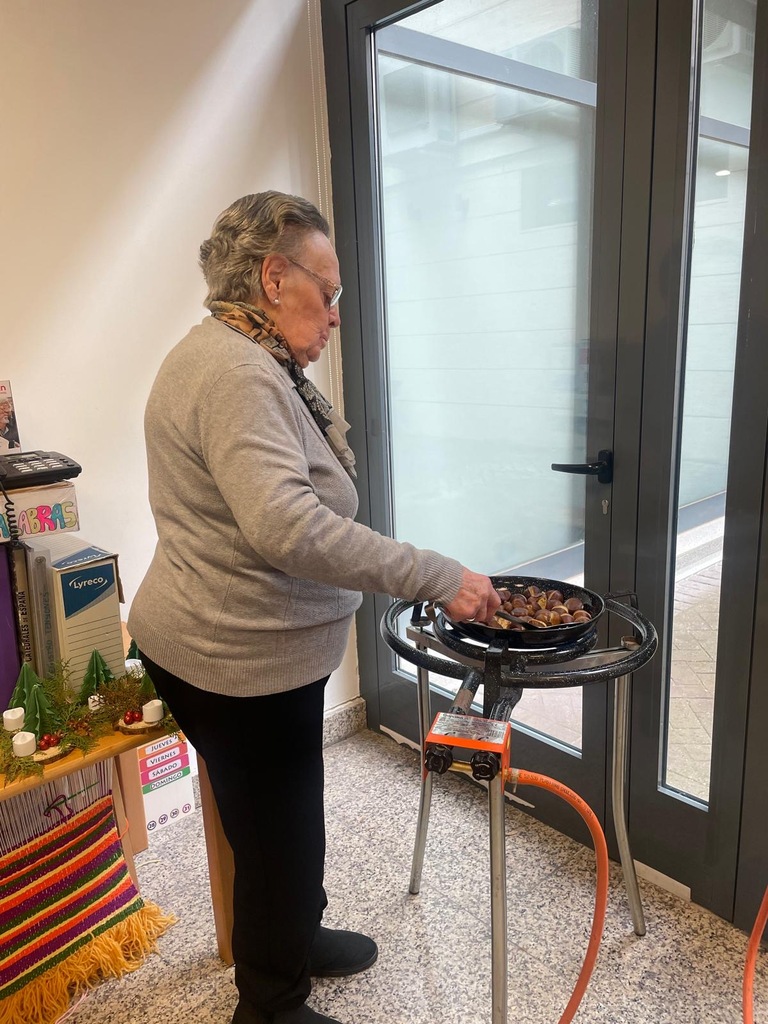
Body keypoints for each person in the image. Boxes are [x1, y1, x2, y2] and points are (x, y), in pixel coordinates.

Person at [127, 191, 500, 1024]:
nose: (335, 314)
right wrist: (434, 573)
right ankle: (271, 1004)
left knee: (284, 818)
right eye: (326, 293)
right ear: (272, 276)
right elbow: (287, 528)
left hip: (238, 648)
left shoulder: (240, 356)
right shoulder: (235, 374)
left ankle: (298, 931)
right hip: (232, 661)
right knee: (275, 839)